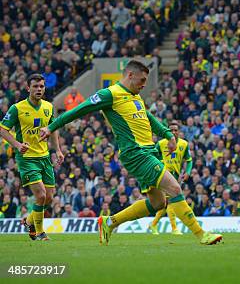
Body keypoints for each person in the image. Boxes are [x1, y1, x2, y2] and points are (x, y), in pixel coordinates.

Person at [40, 60, 222, 245]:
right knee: (174, 188)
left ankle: (109, 222)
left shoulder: (136, 96)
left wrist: (168, 134)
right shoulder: (109, 94)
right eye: (142, 80)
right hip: (136, 153)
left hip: (149, 152)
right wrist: (51, 127)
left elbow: (149, 118)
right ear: (130, 75)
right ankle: (201, 234)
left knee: (158, 203)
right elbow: (77, 110)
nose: (144, 84)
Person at [0, 73, 64, 241]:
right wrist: (17, 145)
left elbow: (53, 128)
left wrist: (57, 150)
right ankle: (40, 232)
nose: (39, 89)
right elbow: (2, 129)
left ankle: (28, 221)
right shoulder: (17, 108)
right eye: (35, 86)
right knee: (41, 196)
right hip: (27, 158)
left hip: (44, 157)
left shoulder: (48, 107)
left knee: (49, 197)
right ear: (28, 88)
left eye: (41, 86)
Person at [149, 121, 193, 235]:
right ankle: (174, 228)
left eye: (175, 130)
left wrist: (187, 172)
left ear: (179, 132)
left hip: (176, 175)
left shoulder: (184, 144)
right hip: (163, 174)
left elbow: (189, 160)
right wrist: (160, 163)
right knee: (171, 200)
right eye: (171, 130)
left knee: (166, 202)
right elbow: (152, 156)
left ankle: (153, 225)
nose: (173, 132)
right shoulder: (161, 143)